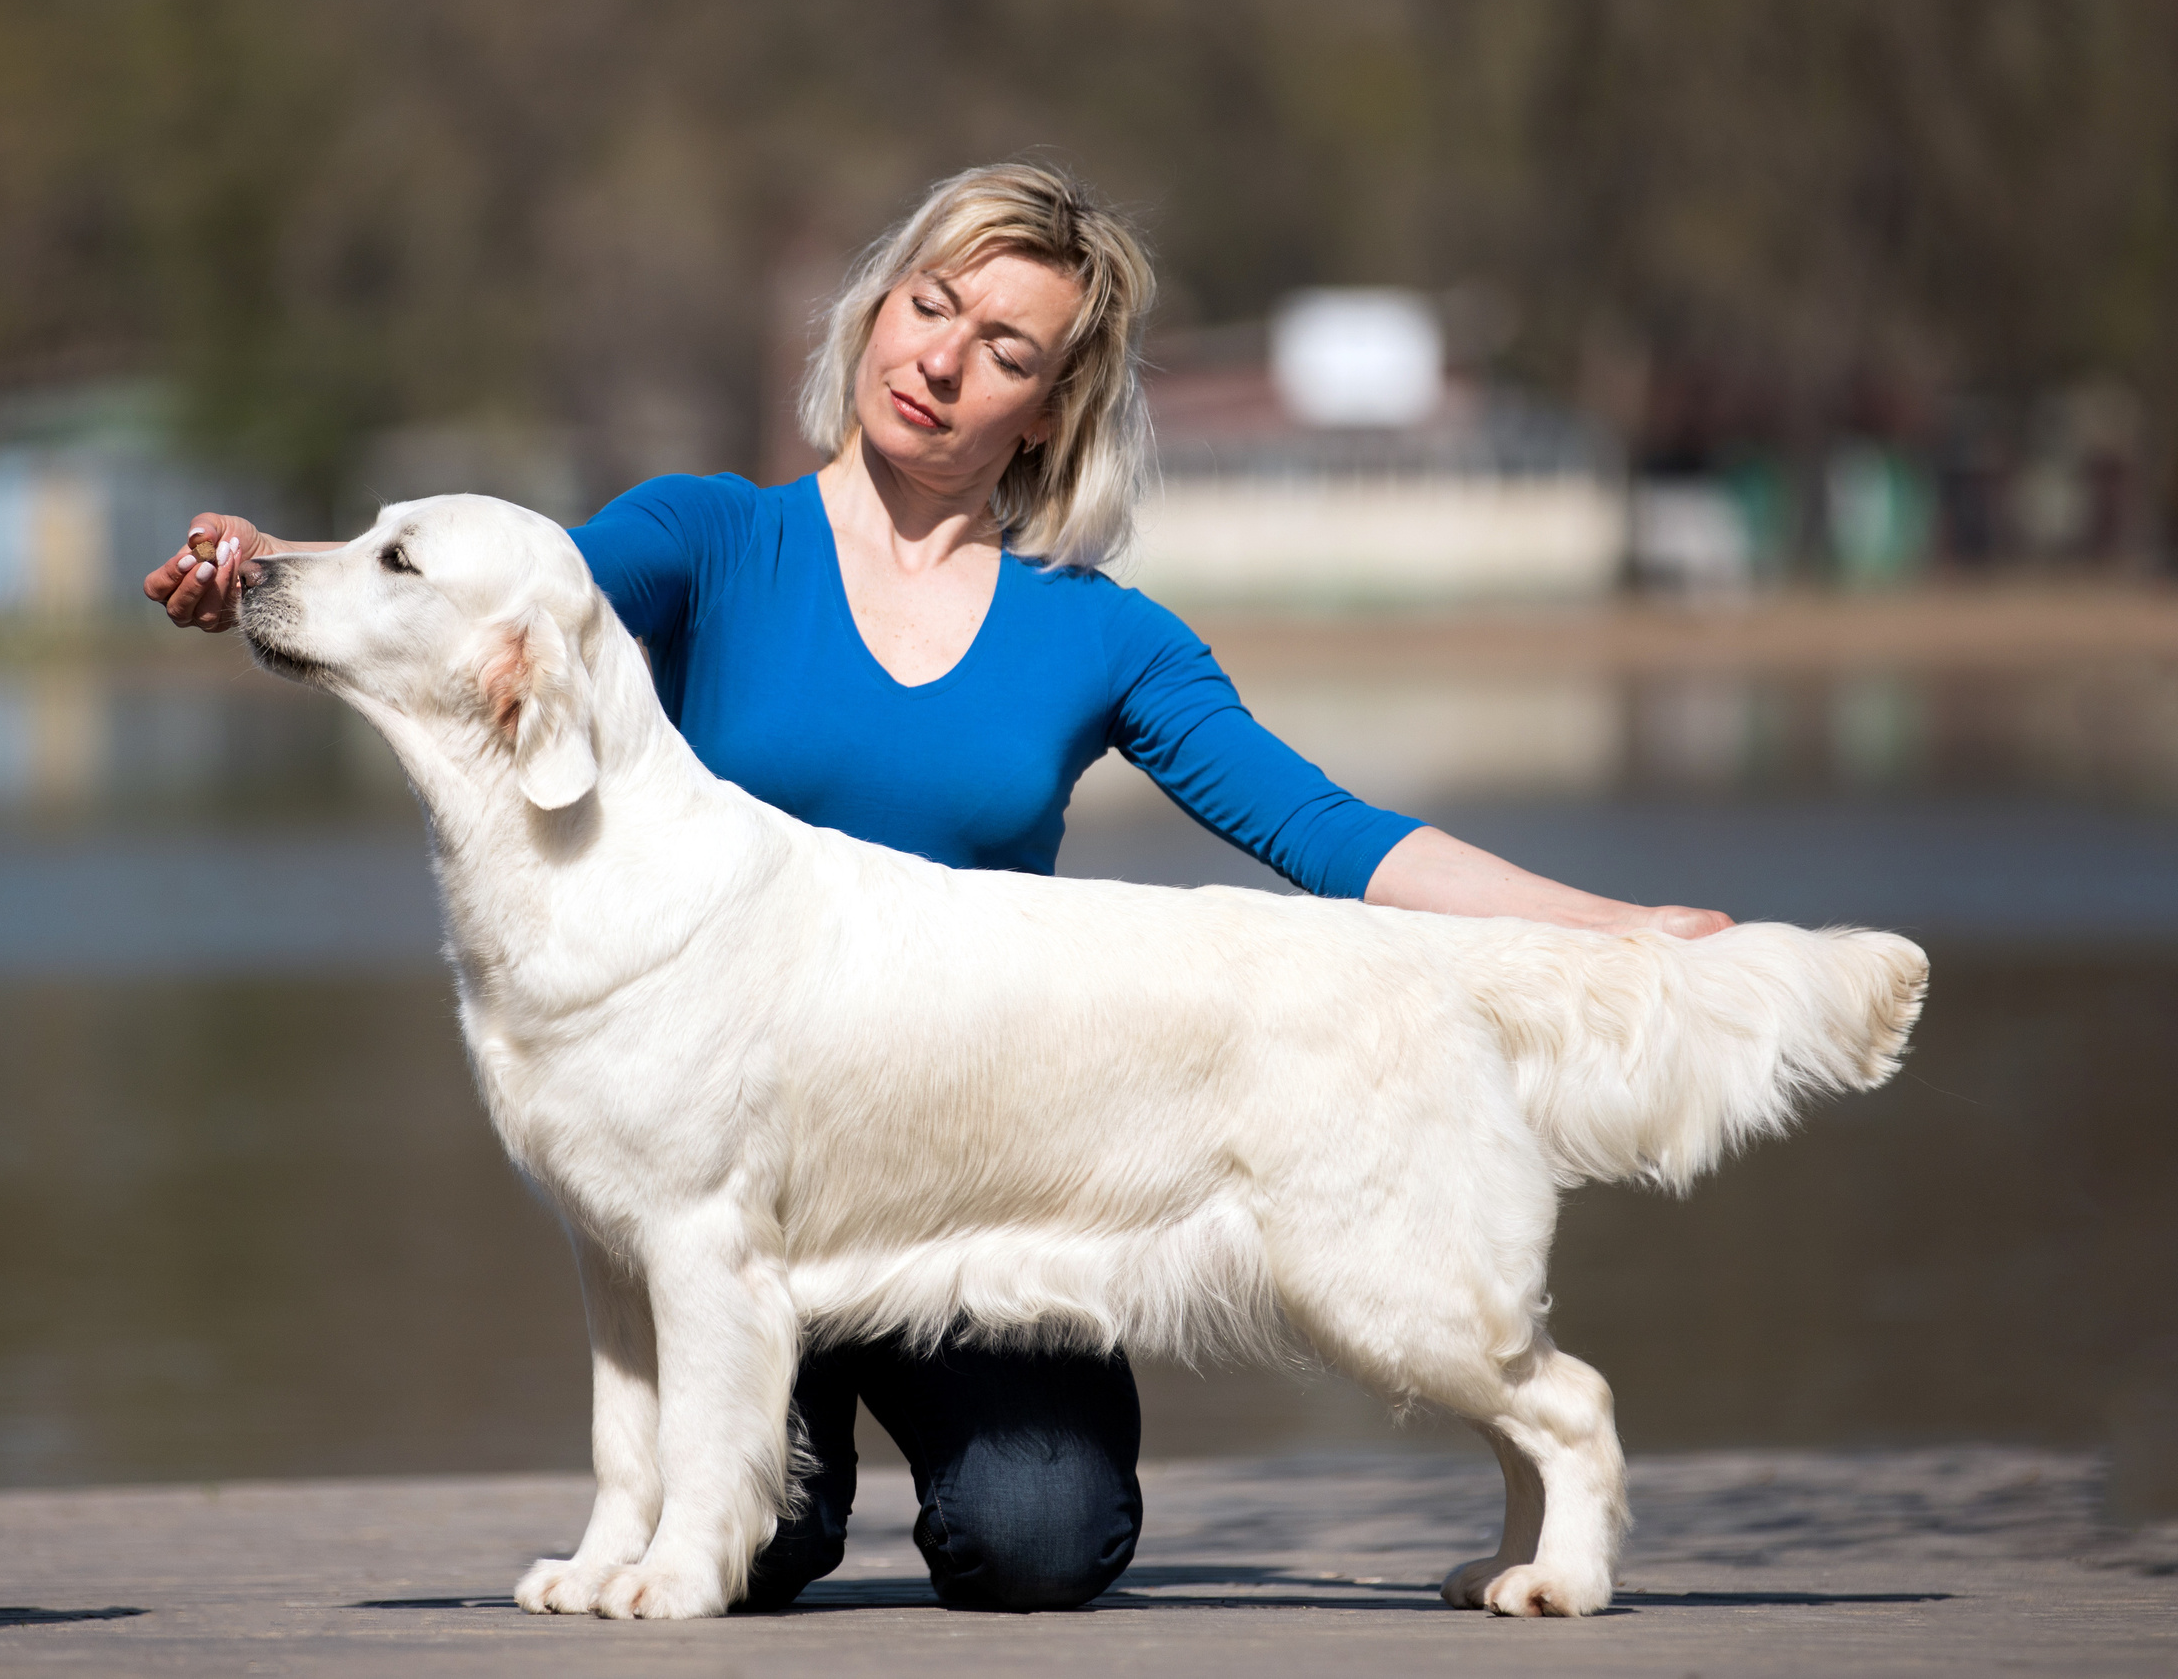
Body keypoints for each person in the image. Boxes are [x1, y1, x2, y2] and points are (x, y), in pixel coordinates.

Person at [145, 160, 1732, 1615]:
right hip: (748, 1166)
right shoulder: (706, 539)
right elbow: (499, 593)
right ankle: (692, 1512)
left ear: (1050, 409)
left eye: (1008, 348)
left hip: (998, 1175)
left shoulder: (1095, 630)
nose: (943, 358)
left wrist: (1606, 934)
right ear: (875, 310)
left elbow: (1323, 831)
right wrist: (277, 582)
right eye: (929, 305)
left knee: (1036, 1544)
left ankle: (1559, 1478)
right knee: (741, 1530)